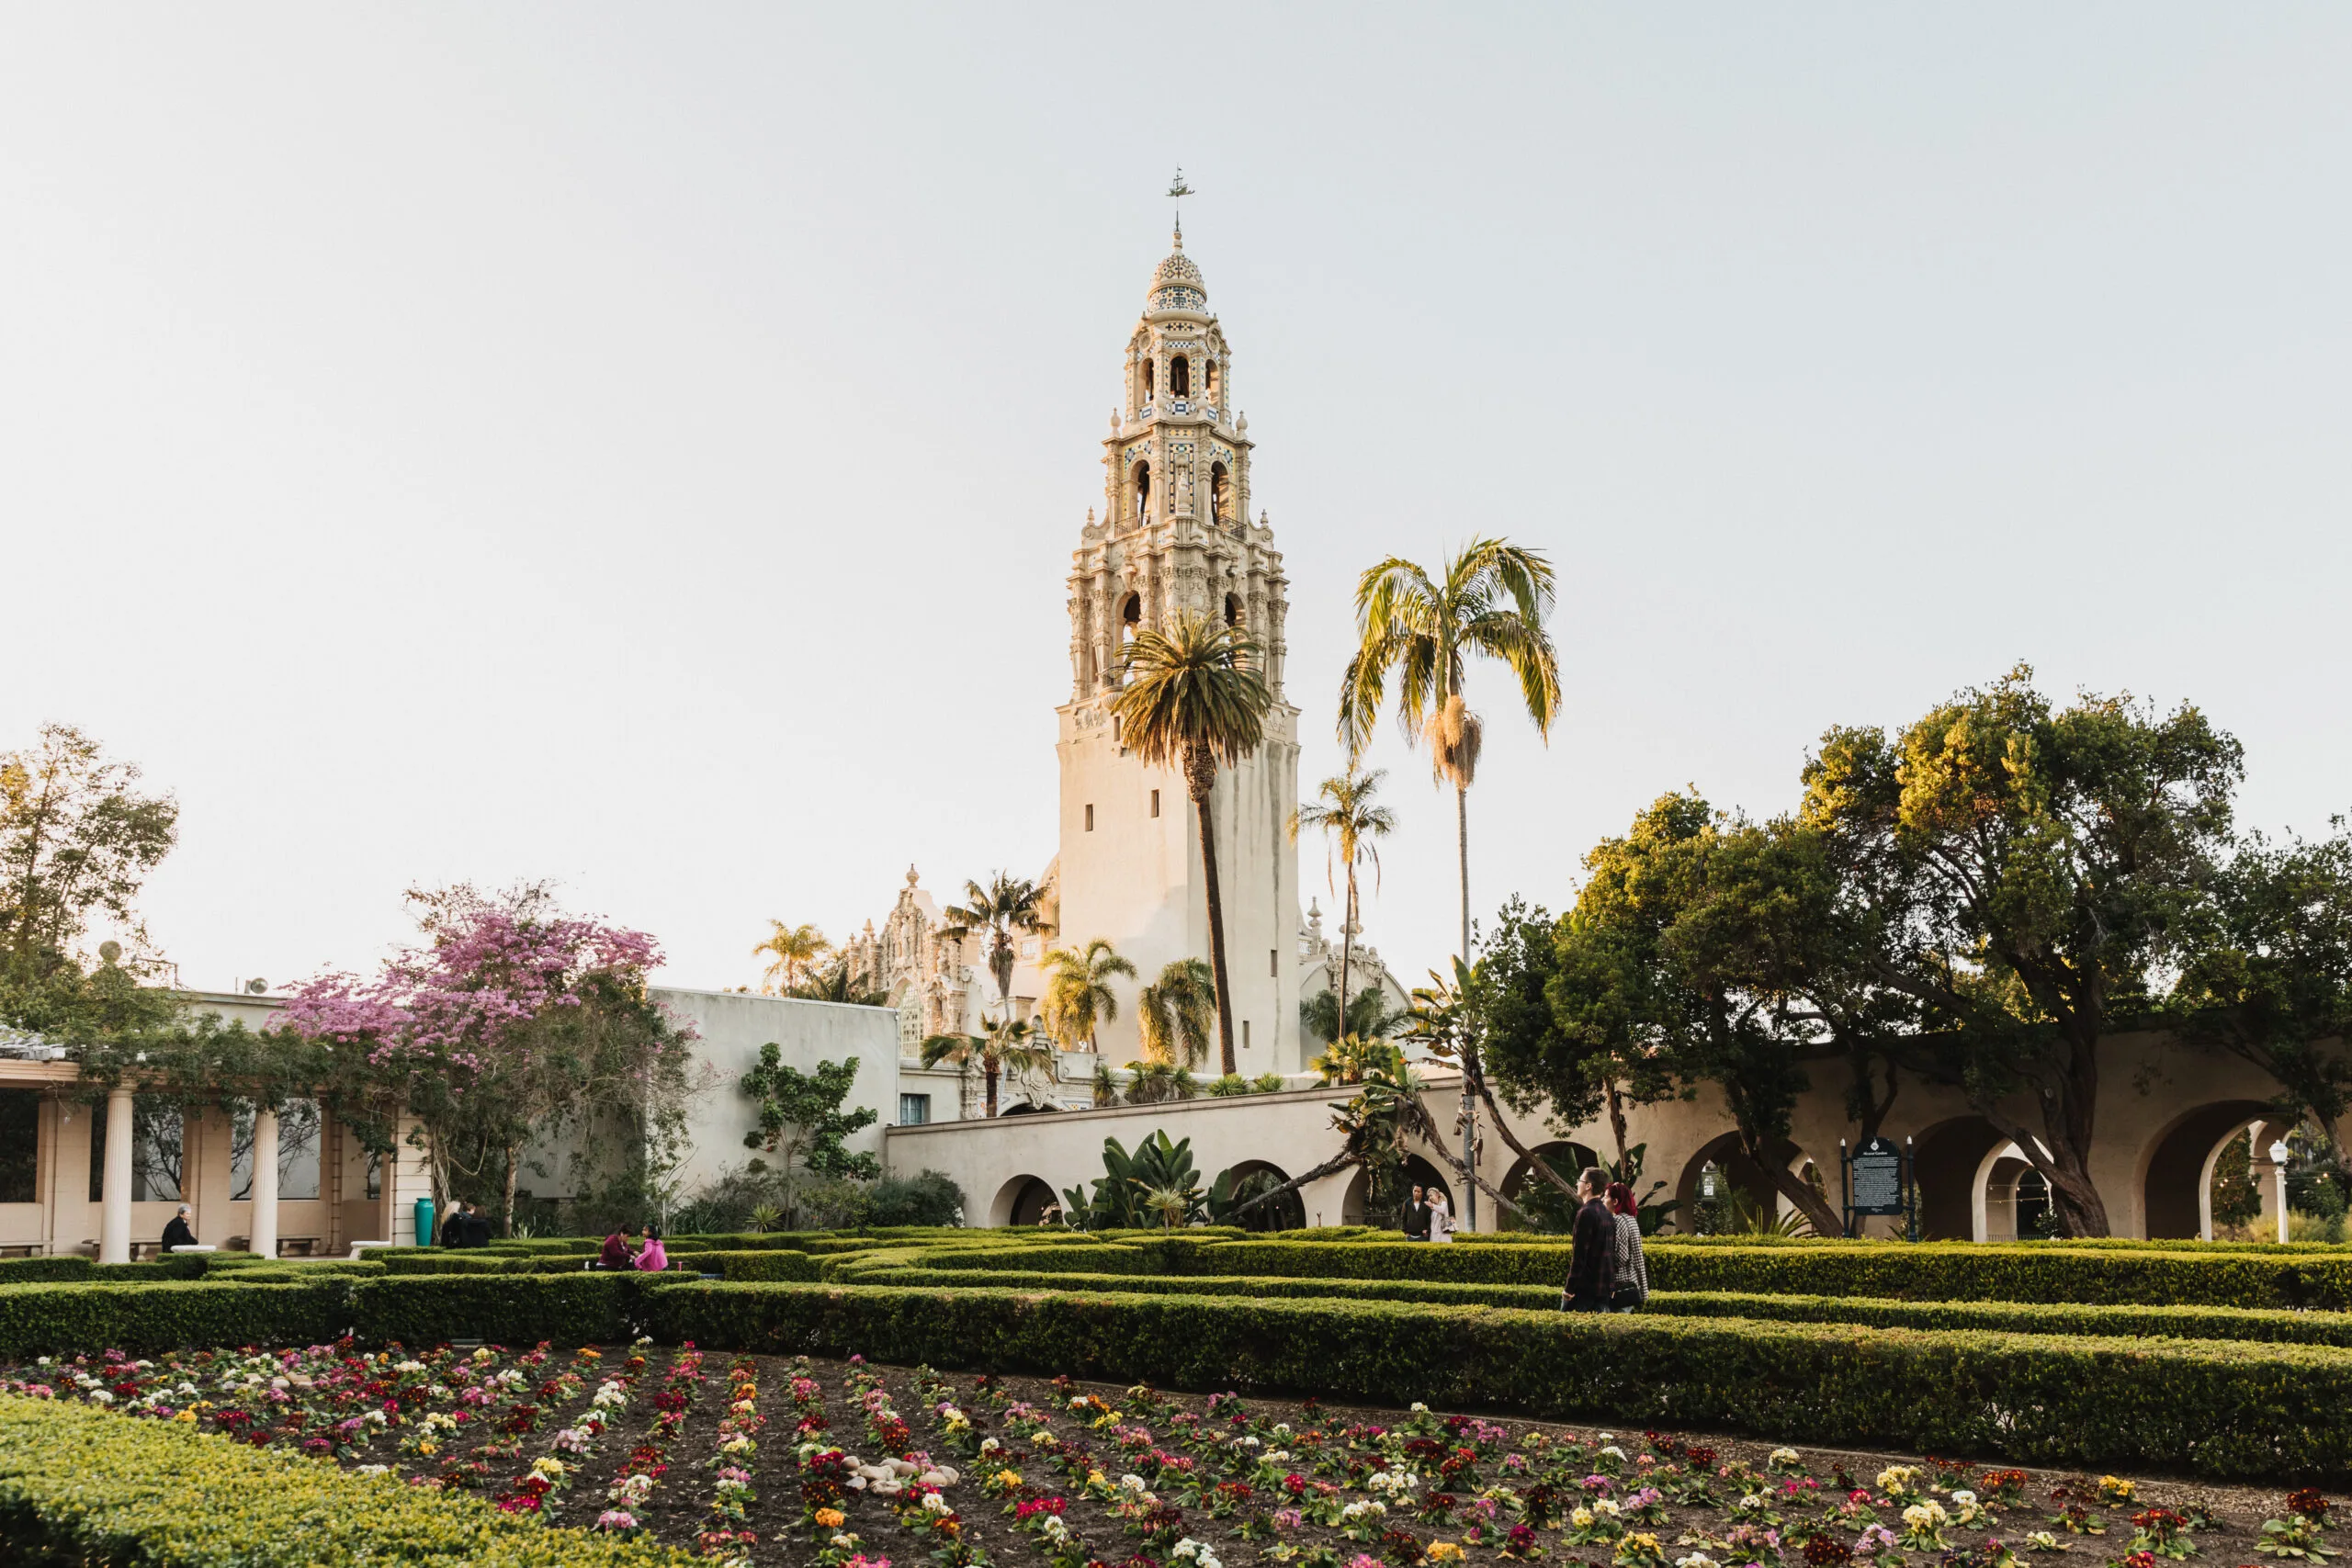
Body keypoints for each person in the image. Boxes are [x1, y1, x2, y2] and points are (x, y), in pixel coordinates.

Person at [1561, 1168, 1617, 1312]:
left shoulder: (1586, 1213)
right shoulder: (1607, 1214)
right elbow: (1610, 1253)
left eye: (1579, 1180)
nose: (1576, 1184)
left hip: (1584, 1291)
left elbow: (1579, 1256)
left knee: (1566, 1333)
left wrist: (1569, 1288)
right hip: (1603, 1289)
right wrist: (1611, 1284)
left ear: (1588, 1186)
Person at [1607, 1180, 1649, 1311]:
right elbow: (1638, 1258)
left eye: (1606, 1196)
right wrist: (1644, 1291)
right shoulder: (1631, 1219)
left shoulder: (1618, 1220)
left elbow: (1622, 1257)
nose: (1603, 1200)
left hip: (1619, 1285)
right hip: (1631, 1283)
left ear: (1615, 1201)